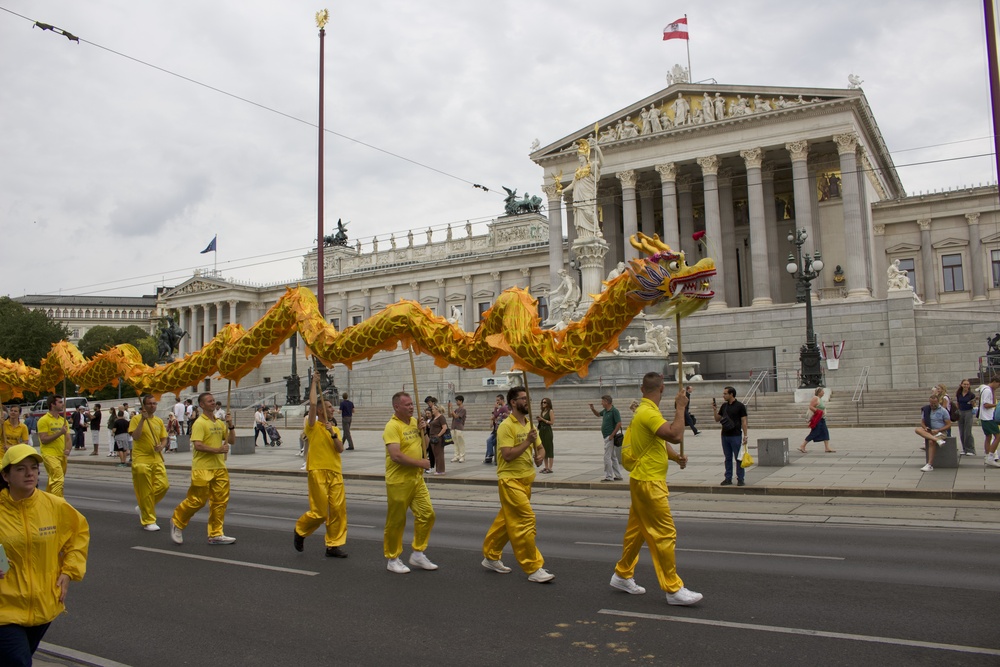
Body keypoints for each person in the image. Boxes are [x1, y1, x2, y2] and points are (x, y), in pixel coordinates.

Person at [610, 372, 702, 606]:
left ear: (643, 389)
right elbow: (675, 434)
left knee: (637, 532)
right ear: (662, 389)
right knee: (664, 533)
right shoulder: (649, 412)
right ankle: (673, 588)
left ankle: (622, 574)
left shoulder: (645, 411)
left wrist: (675, 458)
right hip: (649, 483)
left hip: (644, 480)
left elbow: (659, 442)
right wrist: (681, 407)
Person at [0, 444, 89, 665]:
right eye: (20, 469)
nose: (29, 473)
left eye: (34, 467)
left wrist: (69, 572)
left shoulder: (55, 505)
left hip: (43, 605)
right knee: (19, 662)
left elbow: (78, 536)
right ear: (5, 475)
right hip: (4, 608)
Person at [481, 386, 553, 583]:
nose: (527, 402)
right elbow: (507, 455)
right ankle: (533, 567)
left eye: (528, 398)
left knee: (505, 522)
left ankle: (490, 554)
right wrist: (526, 443)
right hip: (510, 481)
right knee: (526, 520)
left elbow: (540, 448)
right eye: (523, 399)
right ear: (513, 402)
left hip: (526, 480)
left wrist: (539, 456)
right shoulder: (506, 426)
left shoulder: (529, 424)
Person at [170, 392, 236, 545]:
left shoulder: (219, 423)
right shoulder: (200, 423)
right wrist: (217, 450)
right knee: (197, 500)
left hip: (219, 467)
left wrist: (231, 425)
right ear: (202, 405)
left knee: (220, 502)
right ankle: (177, 522)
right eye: (209, 401)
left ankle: (216, 534)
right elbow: (197, 445)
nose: (213, 403)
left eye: (213, 400)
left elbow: (231, 441)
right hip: (202, 468)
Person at [294, 372, 348, 558]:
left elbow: (340, 449)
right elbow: (312, 404)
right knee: (319, 512)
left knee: (338, 511)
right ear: (320, 411)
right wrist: (313, 383)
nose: (332, 409)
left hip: (335, 472)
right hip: (317, 471)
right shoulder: (312, 426)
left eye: (332, 406)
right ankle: (301, 530)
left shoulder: (335, 429)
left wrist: (332, 433)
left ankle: (333, 545)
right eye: (329, 406)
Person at [381, 391, 436, 574]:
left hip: (416, 479)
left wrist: (424, 431)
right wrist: (420, 462)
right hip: (398, 481)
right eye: (408, 405)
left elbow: (425, 446)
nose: (412, 407)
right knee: (396, 521)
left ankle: (418, 552)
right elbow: (395, 456)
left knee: (427, 514)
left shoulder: (414, 422)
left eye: (412, 404)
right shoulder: (392, 426)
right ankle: (392, 558)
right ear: (397, 407)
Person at [129, 394, 169, 531]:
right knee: (145, 491)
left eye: (154, 403)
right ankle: (148, 520)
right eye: (150, 404)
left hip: (156, 458)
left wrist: (162, 446)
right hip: (141, 460)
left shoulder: (158, 421)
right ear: (144, 406)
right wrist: (142, 420)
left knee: (163, 486)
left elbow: (164, 438)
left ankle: (142, 507)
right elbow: (135, 436)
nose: (153, 406)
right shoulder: (136, 419)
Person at [713, 387, 749, 486]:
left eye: (725, 394)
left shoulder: (740, 406)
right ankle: (728, 478)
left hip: (736, 435)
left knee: (738, 458)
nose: (723, 395)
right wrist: (715, 410)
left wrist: (745, 435)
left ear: (731, 394)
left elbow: (744, 421)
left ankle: (740, 478)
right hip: (725, 435)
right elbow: (717, 419)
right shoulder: (724, 406)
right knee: (727, 458)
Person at [36, 395, 70, 497]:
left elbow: (68, 438)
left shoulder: (63, 421)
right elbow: (44, 440)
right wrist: (60, 433)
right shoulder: (44, 420)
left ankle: (47, 501)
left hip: (62, 455)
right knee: (58, 479)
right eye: (60, 402)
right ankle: (58, 504)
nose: (62, 404)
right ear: (52, 404)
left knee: (54, 481)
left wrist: (68, 449)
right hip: (49, 454)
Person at [589, 395, 623, 482]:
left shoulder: (614, 411)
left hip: (610, 437)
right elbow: (598, 414)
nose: (601, 403)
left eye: (602, 401)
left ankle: (609, 476)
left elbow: (619, 423)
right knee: (613, 456)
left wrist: (612, 435)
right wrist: (592, 408)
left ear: (607, 402)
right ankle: (618, 475)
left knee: (607, 457)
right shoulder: (605, 411)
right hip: (607, 436)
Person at [915, 394, 951, 472]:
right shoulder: (926, 409)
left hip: (940, 431)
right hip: (930, 430)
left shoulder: (943, 411)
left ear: (938, 402)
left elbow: (948, 424)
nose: (933, 405)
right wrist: (925, 427)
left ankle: (930, 464)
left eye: (934, 403)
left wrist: (939, 430)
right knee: (917, 429)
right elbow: (922, 422)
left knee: (931, 442)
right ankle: (937, 439)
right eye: (931, 403)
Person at [798, 387, 835, 453]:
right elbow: (811, 406)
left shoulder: (820, 399)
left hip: (822, 418)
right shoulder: (815, 398)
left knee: (825, 432)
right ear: (819, 392)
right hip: (817, 419)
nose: (823, 392)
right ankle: (802, 446)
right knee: (815, 432)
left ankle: (827, 448)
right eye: (822, 391)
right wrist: (818, 411)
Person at [979, 376, 1000, 467]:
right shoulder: (987, 390)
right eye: (998, 385)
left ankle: (987, 455)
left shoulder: (986, 389)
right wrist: (997, 404)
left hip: (984, 417)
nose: (998, 387)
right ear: (994, 382)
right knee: (998, 436)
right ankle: (990, 457)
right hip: (989, 417)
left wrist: (994, 390)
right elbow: (986, 405)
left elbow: (991, 400)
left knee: (988, 437)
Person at [954, 378, 977, 456]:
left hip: (968, 412)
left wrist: (974, 403)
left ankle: (970, 449)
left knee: (968, 431)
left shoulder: (971, 394)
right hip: (961, 412)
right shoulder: (959, 393)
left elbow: (974, 404)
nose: (966, 386)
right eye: (964, 384)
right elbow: (958, 403)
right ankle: (964, 448)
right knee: (962, 431)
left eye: (967, 384)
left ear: (969, 385)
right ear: (961, 385)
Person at [485, 394, 509, 464]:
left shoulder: (503, 408)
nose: (497, 402)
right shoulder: (502, 408)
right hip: (496, 430)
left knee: (492, 441)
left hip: (501, 430)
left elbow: (495, 415)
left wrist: (495, 408)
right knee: (489, 440)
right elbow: (495, 417)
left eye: (498, 400)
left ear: (502, 400)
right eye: (496, 401)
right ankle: (489, 455)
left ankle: (491, 456)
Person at [428, 403, 448, 475]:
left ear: (437, 409)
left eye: (433, 409)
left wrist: (438, 435)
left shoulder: (441, 417)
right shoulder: (435, 417)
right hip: (433, 438)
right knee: (436, 454)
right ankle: (438, 469)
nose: (432, 410)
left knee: (439, 454)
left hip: (437, 438)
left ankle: (441, 470)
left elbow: (444, 428)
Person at [537, 397, 554, 473]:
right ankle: (546, 467)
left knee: (549, 448)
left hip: (547, 430)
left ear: (548, 404)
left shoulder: (550, 411)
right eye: (542, 402)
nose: (543, 404)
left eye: (545, 402)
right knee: (543, 448)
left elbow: (552, 422)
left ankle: (550, 468)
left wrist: (542, 419)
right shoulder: (542, 411)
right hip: (542, 430)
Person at [448, 395, 467, 463]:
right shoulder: (456, 409)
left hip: (459, 427)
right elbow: (449, 415)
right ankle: (456, 456)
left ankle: (462, 456)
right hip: (453, 427)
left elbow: (456, 416)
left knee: (460, 443)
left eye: (457, 400)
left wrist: (452, 408)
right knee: (455, 443)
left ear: (461, 401)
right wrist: (449, 408)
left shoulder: (463, 409)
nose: (456, 402)